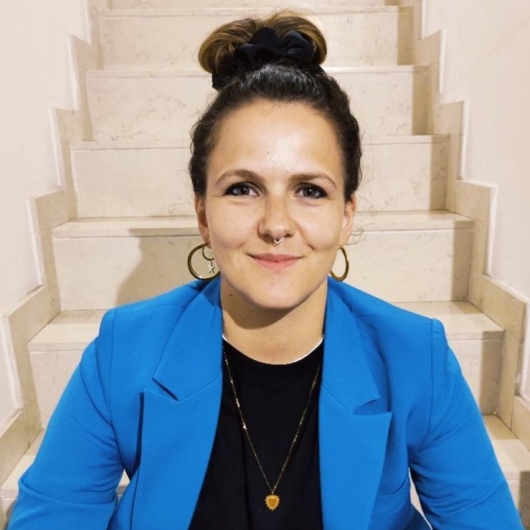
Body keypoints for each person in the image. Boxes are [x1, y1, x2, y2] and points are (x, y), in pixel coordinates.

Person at [8, 11, 523, 530]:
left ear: (346, 216)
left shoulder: (414, 359)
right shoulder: (125, 352)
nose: (276, 224)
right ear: (203, 215)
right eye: (243, 188)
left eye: (310, 190)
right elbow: (53, 514)